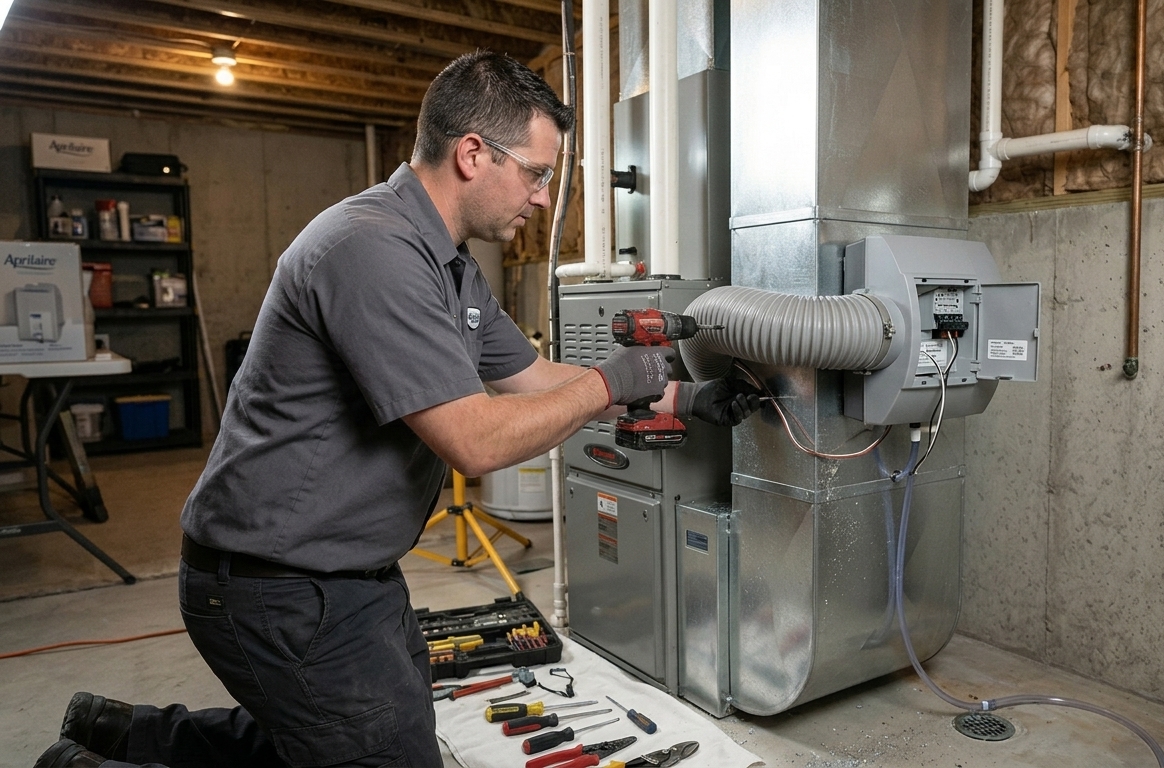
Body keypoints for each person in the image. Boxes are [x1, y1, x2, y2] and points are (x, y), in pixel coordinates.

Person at [35, 51, 759, 768]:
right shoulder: (371, 249)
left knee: (347, 734)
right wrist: (609, 381)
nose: (542, 198)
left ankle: (121, 733)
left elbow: (535, 377)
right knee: (378, 753)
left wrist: (682, 396)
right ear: (473, 154)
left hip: (348, 572)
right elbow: (474, 442)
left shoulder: (448, 265)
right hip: (275, 581)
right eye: (537, 174)